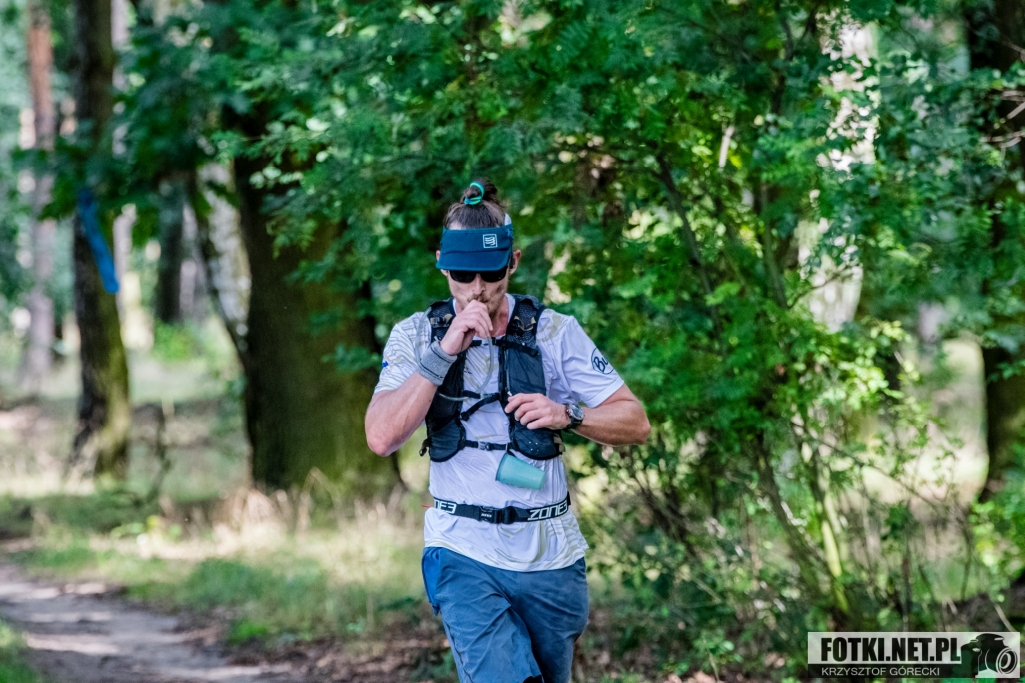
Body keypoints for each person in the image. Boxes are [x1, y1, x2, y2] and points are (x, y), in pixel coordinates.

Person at [364, 179, 650, 683]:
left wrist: (569, 415)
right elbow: (381, 436)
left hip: (551, 555)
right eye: (462, 274)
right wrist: (443, 352)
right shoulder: (416, 334)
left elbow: (635, 420)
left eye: (491, 273)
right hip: (462, 549)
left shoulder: (554, 332)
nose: (477, 288)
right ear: (441, 264)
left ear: (513, 262)